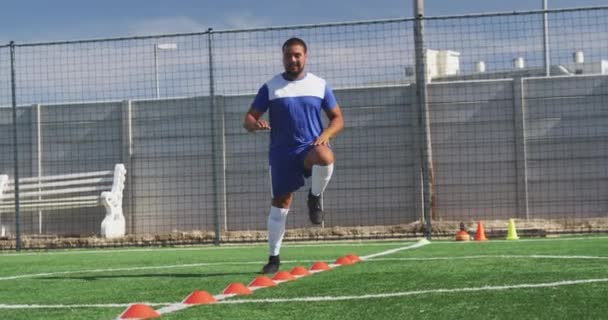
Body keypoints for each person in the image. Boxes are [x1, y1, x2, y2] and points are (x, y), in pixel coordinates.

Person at [243, 37, 344, 274]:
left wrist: (326, 133)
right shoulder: (271, 86)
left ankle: (315, 196)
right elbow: (248, 119)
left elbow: (338, 118)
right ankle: (273, 258)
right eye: (288, 55)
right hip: (281, 154)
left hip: (309, 149)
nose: (293, 59)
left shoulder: (319, 85)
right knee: (280, 205)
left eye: (297, 55)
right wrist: (256, 124)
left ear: (305, 56)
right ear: (283, 57)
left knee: (325, 156)